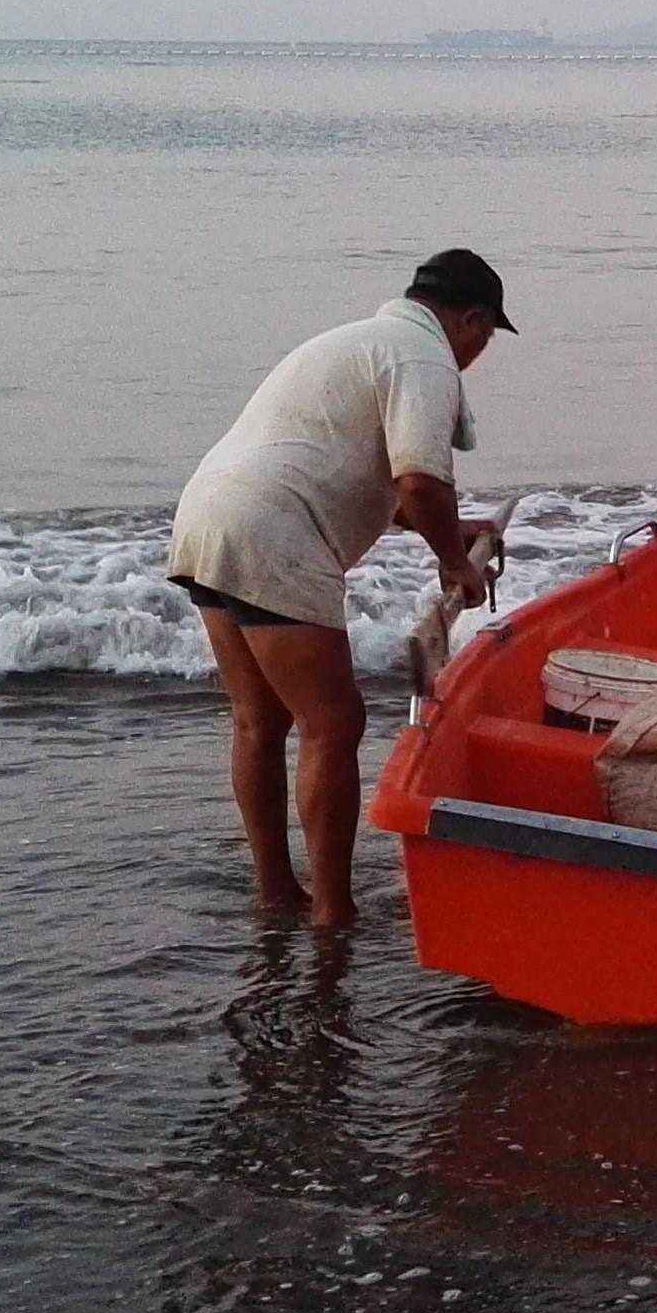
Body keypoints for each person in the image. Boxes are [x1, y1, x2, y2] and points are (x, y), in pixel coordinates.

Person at [168, 250, 514, 925]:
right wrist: (457, 563)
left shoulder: (358, 341)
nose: (479, 354)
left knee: (259, 721)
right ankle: (332, 912)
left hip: (207, 515)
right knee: (334, 723)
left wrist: (447, 531)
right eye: (487, 337)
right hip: (275, 530)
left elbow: (369, 479)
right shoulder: (425, 359)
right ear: (472, 319)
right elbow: (420, 476)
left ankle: (276, 895)